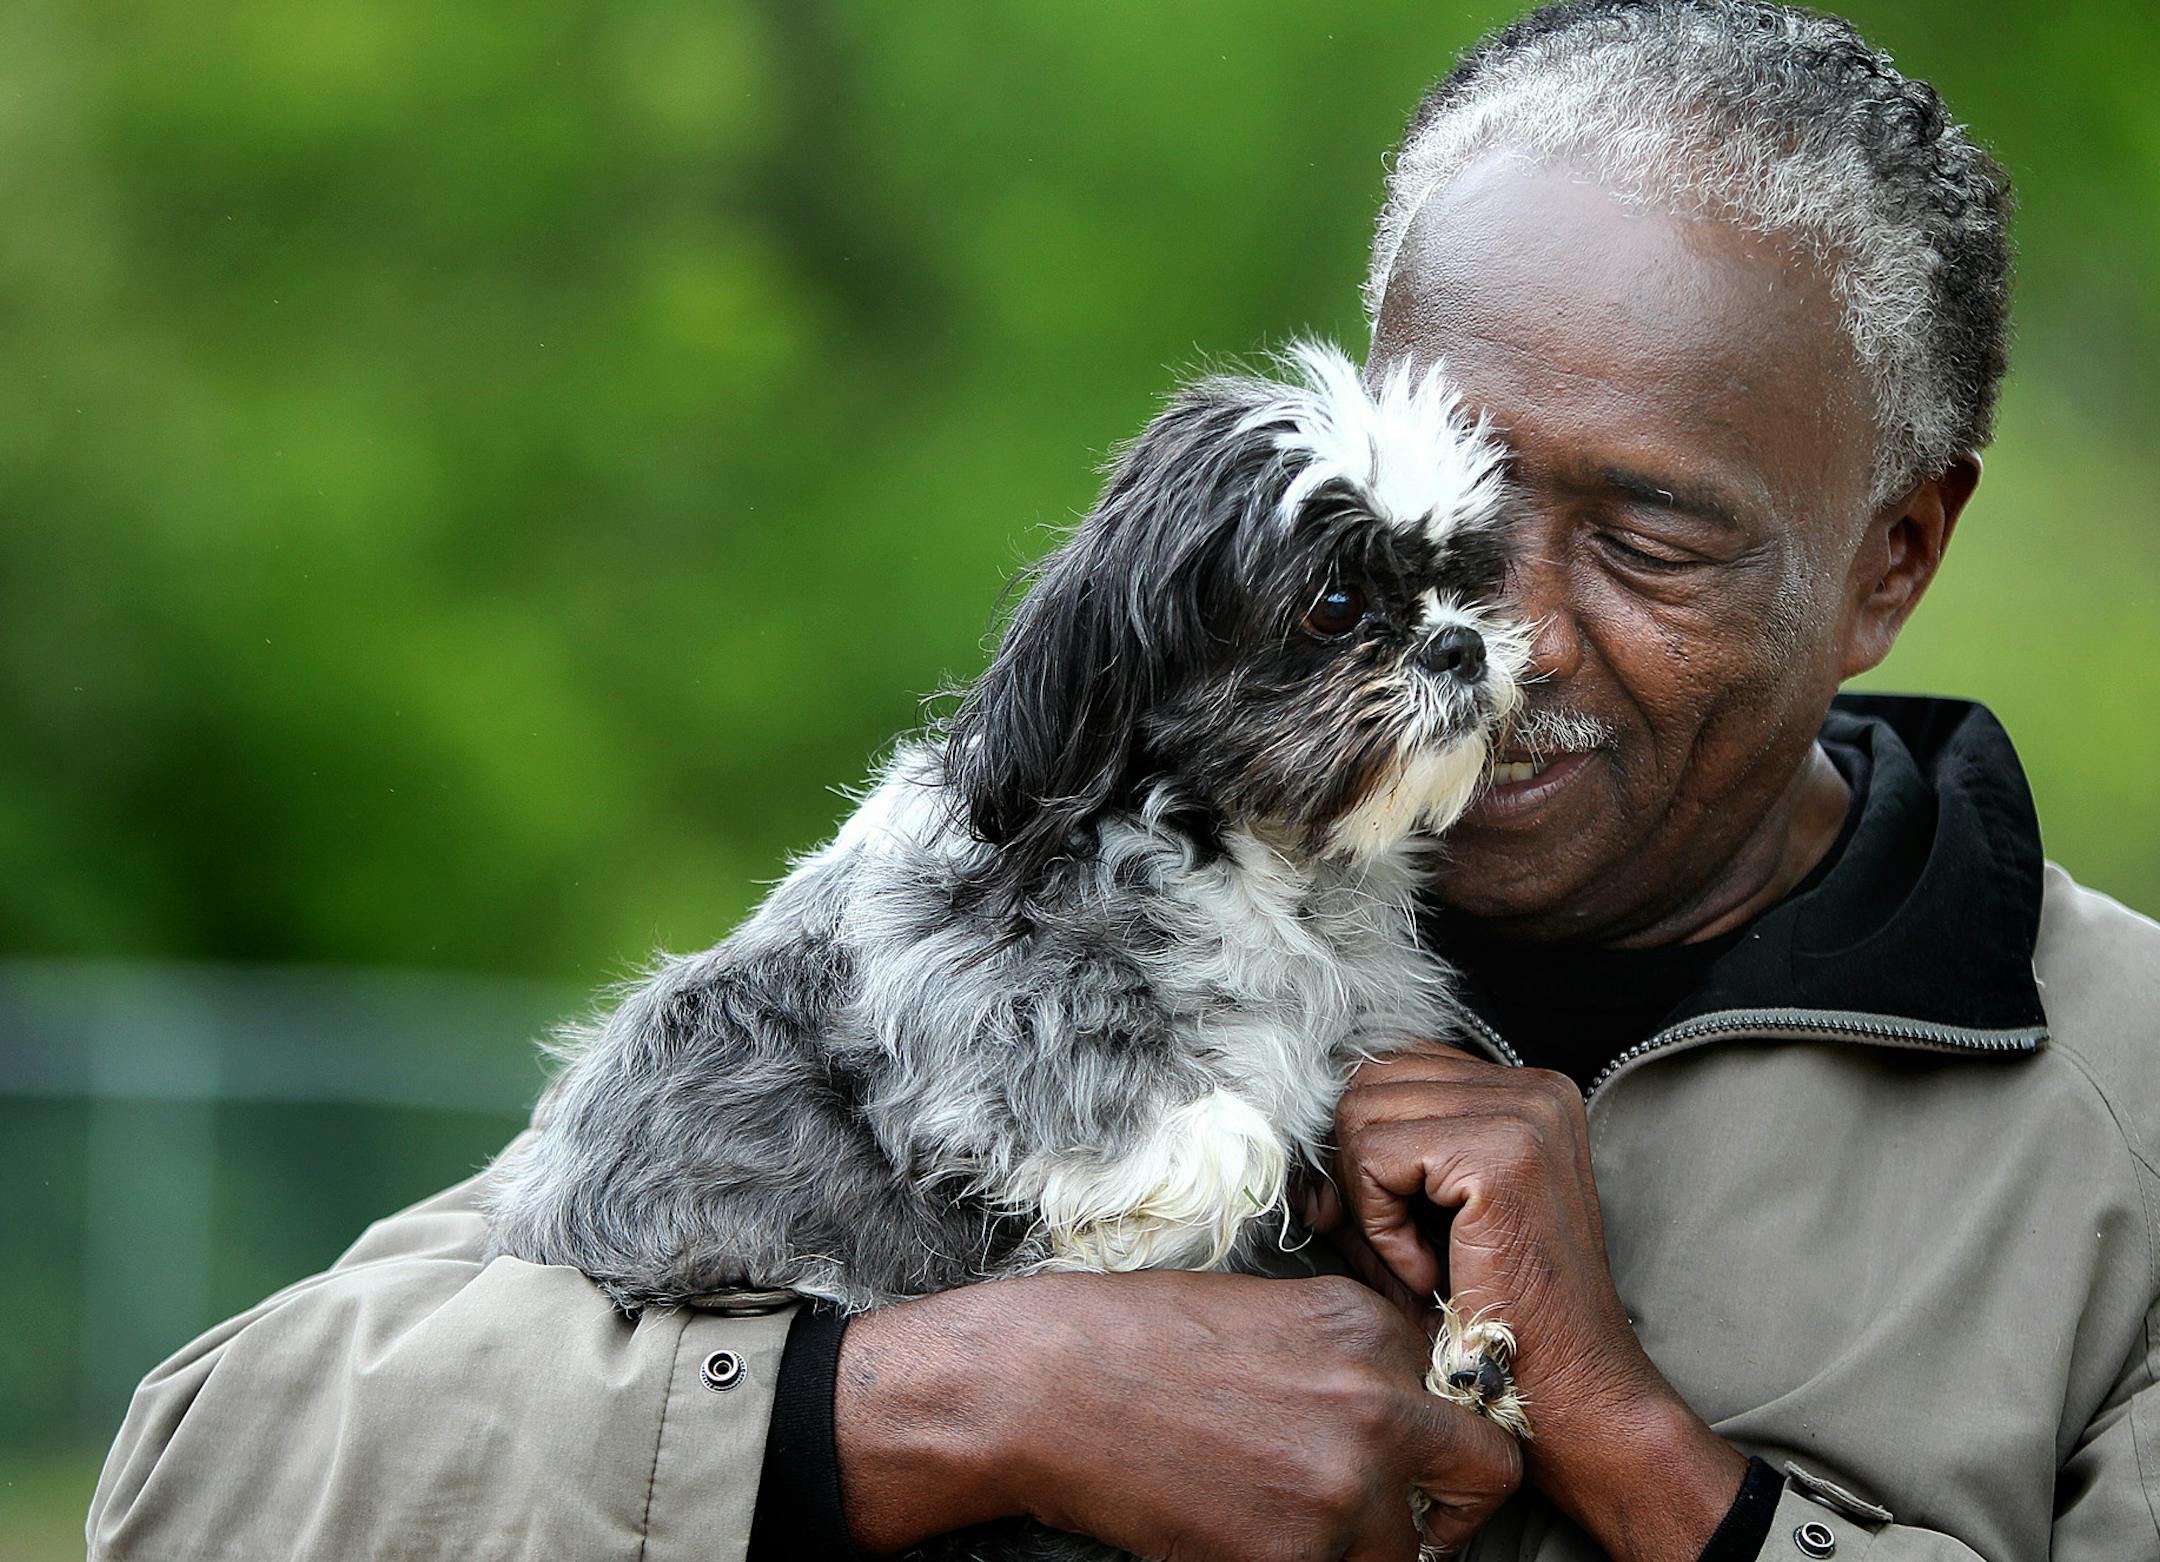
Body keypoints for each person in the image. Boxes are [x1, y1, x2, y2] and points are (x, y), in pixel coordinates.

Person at [88, 3, 2160, 1561]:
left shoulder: (2124, 1117)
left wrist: (1646, 1454)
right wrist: (929, 1405)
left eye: (1649, 537)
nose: (1505, 634)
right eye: (1439, 523)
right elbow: (213, 1477)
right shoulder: (1037, 895)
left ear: (1892, 557)